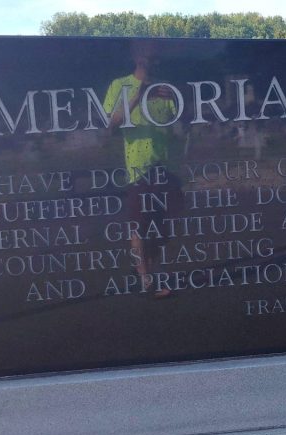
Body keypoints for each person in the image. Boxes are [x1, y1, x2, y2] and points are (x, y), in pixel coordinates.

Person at [103, 41, 183, 299]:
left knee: (161, 229)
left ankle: (144, 269)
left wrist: (180, 105)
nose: (150, 59)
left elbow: (179, 127)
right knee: (139, 226)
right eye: (145, 54)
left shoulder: (166, 88)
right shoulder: (119, 85)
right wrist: (140, 95)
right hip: (138, 167)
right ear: (136, 57)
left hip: (165, 166)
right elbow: (112, 124)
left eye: (154, 55)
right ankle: (146, 280)